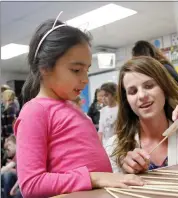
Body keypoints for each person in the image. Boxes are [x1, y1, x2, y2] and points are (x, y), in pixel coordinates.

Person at [14, 19, 144, 198]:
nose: (85, 79)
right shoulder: (34, 112)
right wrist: (94, 178)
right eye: (76, 70)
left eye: (87, 70)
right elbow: (31, 184)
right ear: (45, 68)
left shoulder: (73, 108)